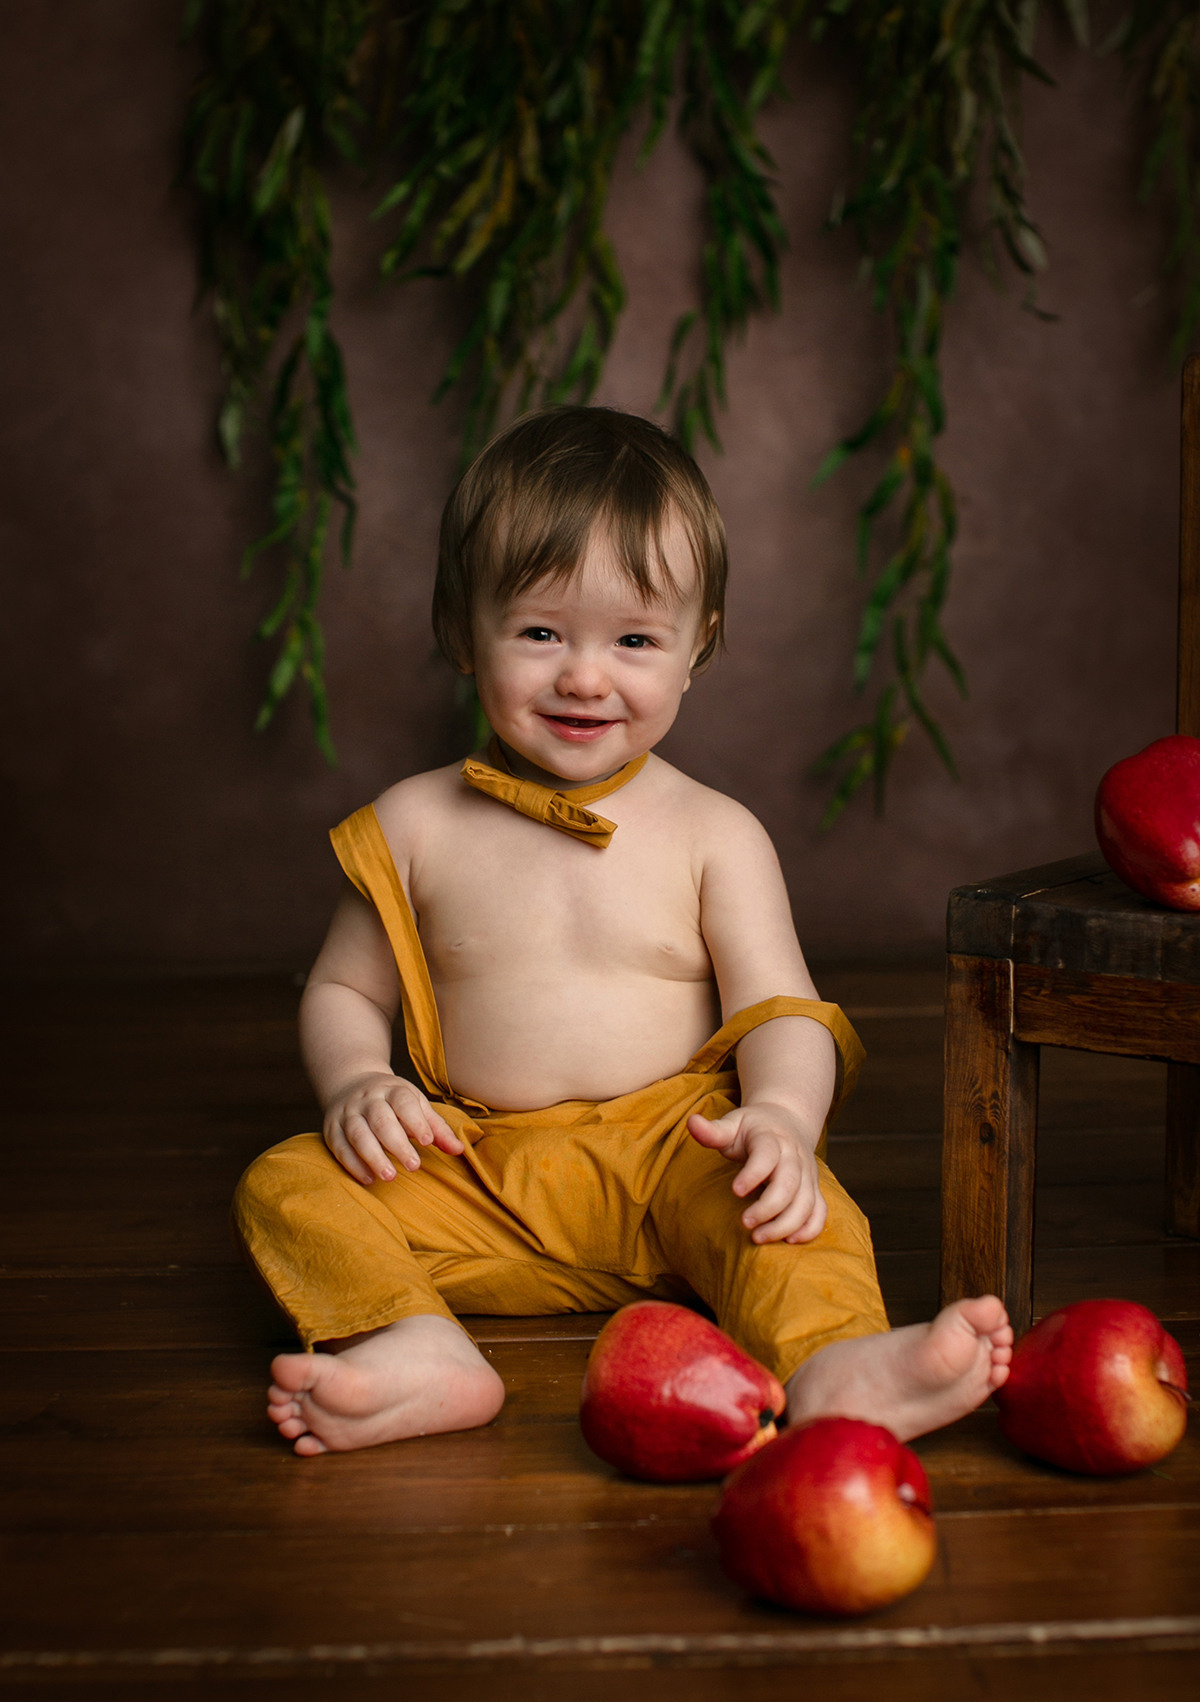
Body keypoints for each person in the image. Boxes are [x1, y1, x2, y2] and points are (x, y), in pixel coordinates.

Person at [234, 405, 1011, 1457]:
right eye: (542, 632)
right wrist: (357, 1087)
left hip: (674, 1161)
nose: (585, 677)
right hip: (475, 1167)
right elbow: (344, 991)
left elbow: (786, 1011)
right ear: (465, 630)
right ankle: (418, 1344)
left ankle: (835, 1364)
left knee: (802, 1212)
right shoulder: (414, 825)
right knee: (287, 1183)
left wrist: (778, 1116)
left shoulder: (713, 834)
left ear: (699, 649)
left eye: (635, 640)